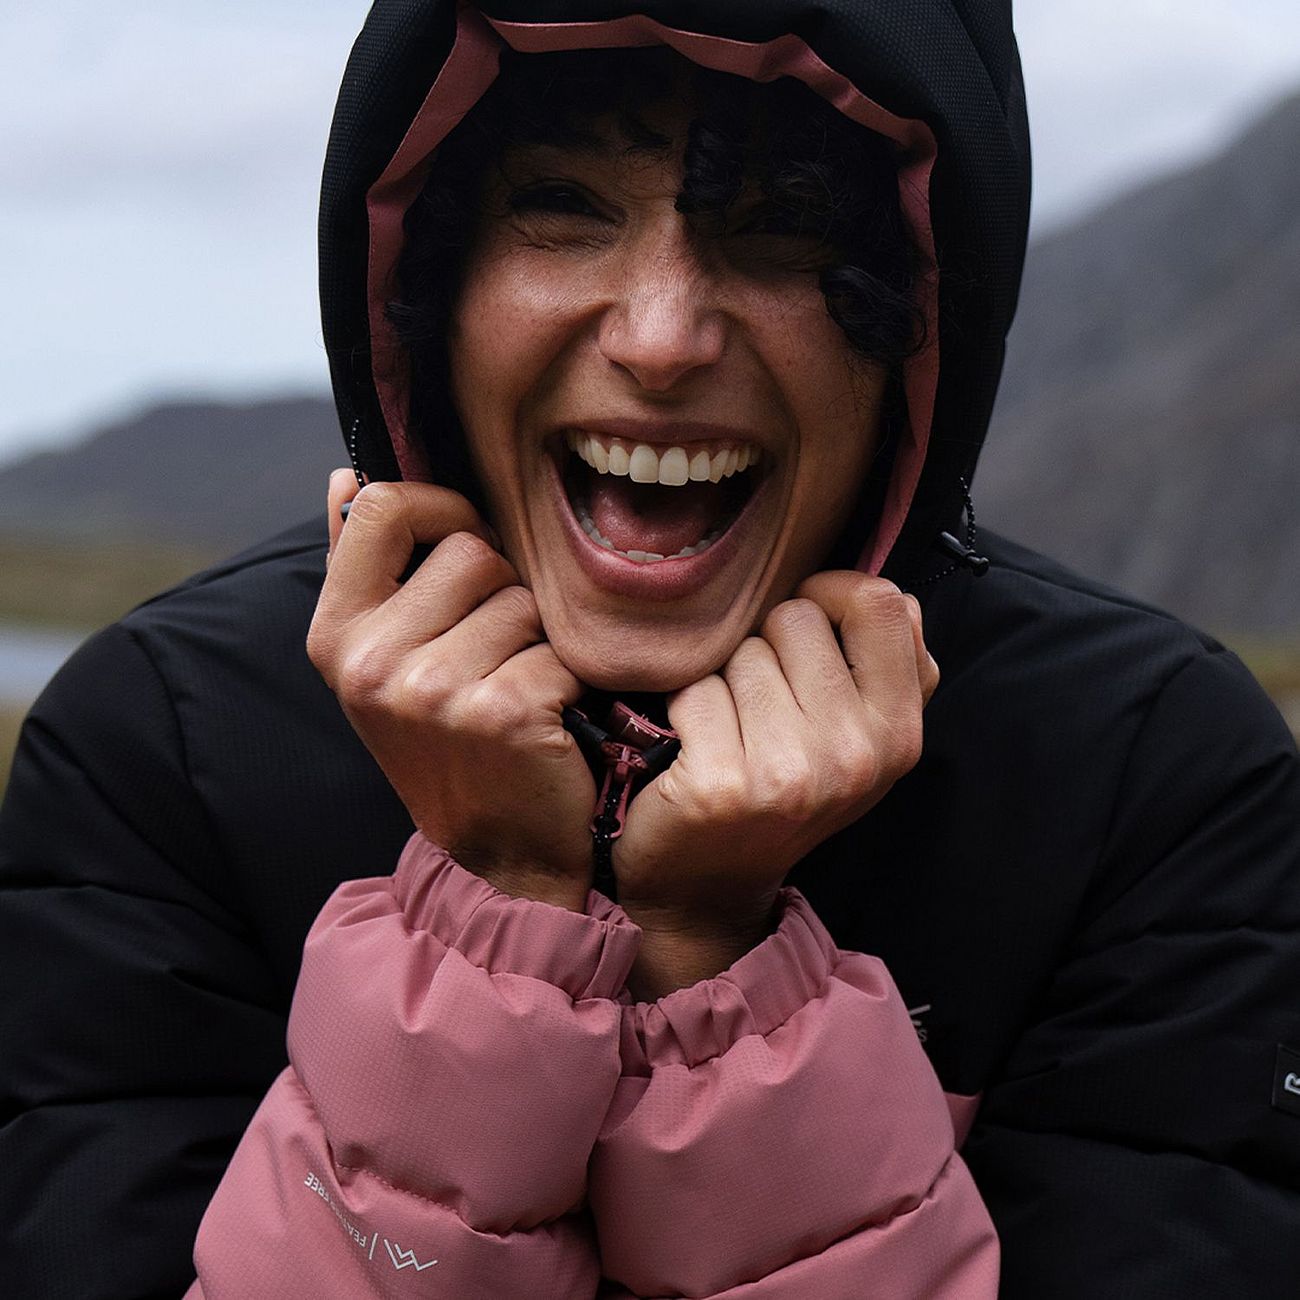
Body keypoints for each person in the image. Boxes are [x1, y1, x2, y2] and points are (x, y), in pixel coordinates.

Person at [1, 2, 1298, 1297]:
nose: (662, 338)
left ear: (926, 315)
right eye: (562, 205)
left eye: (786, 225)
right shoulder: (164, 742)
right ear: (426, 292)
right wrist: (490, 911)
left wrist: (723, 960)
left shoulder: (1152, 775)